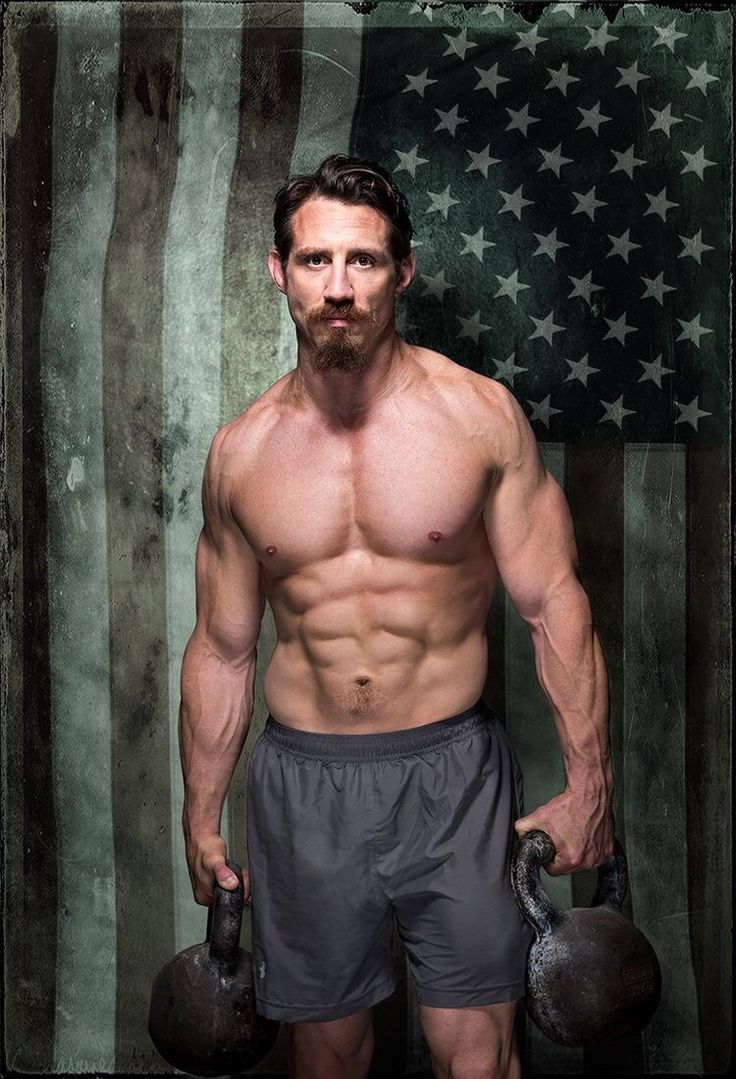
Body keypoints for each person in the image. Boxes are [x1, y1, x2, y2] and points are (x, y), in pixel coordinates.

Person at [179, 154, 614, 1079]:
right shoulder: (240, 455)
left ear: (403, 270)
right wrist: (202, 814)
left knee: (479, 1055)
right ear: (279, 271)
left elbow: (553, 604)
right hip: (305, 786)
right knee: (327, 1057)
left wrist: (590, 786)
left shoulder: (479, 419)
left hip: (453, 776)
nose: (338, 287)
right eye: (316, 259)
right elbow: (222, 647)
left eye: (364, 260)